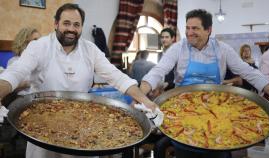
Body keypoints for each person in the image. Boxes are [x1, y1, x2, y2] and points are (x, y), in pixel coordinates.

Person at [0, 3, 158, 158]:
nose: (71, 29)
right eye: (66, 23)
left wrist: (146, 101)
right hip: (41, 128)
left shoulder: (90, 50)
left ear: (82, 27)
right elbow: (15, 72)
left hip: (84, 128)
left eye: (77, 25)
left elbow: (117, 76)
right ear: (56, 24)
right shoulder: (38, 47)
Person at [140, 9, 269, 158]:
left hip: (218, 110)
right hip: (181, 109)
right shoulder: (178, 48)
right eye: (187, 28)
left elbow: (249, 72)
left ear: (208, 30)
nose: (189, 32)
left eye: (195, 28)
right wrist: (140, 93)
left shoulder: (222, 49)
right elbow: (158, 71)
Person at [7, 27, 41, 95]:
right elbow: (11, 85)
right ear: (23, 42)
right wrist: (27, 83)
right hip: (22, 98)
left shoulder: (41, 60)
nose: (39, 43)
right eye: (35, 40)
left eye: (40, 40)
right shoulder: (14, 61)